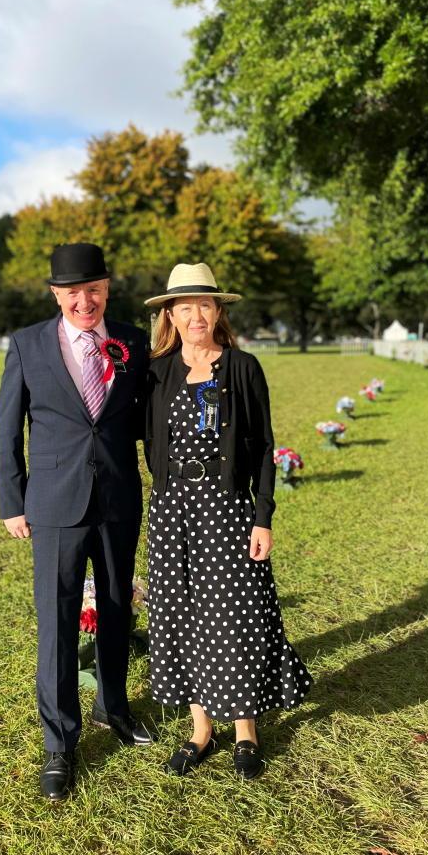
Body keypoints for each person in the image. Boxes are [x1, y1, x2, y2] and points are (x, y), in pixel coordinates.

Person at [0, 243, 153, 802]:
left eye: (94, 290)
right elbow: (7, 429)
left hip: (118, 500)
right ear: (56, 295)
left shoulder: (134, 342)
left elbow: (147, 418)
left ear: (107, 290)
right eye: (73, 293)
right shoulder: (28, 344)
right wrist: (12, 501)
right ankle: (60, 743)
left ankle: (114, 707)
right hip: (54, 504)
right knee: (58, 623)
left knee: (116, 608)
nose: (85, 301)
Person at [144, 262, 313, 780]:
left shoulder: (243, 367)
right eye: (185, 307)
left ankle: (244, 731)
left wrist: (263, 517)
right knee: (181, 616)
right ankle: (201, 730)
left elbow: (263, 447)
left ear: (218, 311)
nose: (196, 315)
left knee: (234, 616)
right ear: (170, 315)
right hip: (172, 509)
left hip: (226, 507)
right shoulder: (156, 372)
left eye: (205, 304)